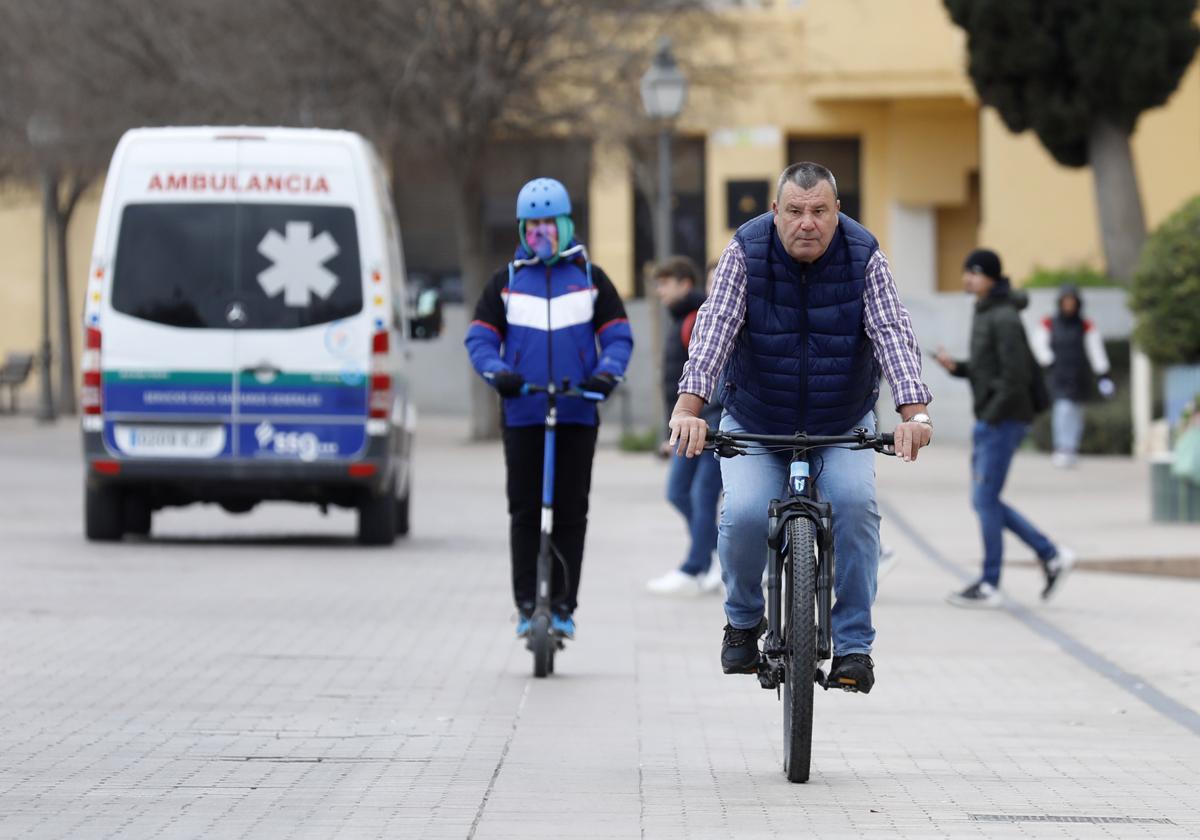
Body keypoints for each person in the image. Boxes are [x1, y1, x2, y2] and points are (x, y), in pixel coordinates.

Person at [669, 162, 933, 695]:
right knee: (743, 513)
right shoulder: (745, 251)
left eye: (819, 211)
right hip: (757, 418)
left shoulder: (865, 255)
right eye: (794, 211)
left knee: (856, 507)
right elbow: (714, 330)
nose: (806, 223)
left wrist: (914, 414)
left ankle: (854, 644)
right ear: (775, 212)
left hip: (842, 420)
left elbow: (892, 333)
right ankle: (743, 620)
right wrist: (688, 409)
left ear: (838, 213)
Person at [465, 177, 634, 639]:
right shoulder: (507, 282)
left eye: (550, 224)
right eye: (533, 224)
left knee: (570, 510)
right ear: (522, 228)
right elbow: (480, 337)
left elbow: (618, 335)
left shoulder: (590, 279)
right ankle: (526, 605)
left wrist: (605, 374)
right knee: (524, 510)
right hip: (523, 412)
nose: (542, 233)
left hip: (577, 411)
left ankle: (561, 605)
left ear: (565, 224)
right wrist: (499, 372)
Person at [935, 248, 1075, 607]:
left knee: (985, 500)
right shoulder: (985, 311)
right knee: (987, 501)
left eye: (975, 273)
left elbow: (1016, 377)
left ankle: (991, 583)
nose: (968, 278)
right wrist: (958, 368)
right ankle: (1050, 554)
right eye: (967, 271)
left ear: (992, 279)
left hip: (1003, 420)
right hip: (993, 418)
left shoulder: (1004, 317)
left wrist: (991, 417)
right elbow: (989, 368)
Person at [646, 256, 724, 596]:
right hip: (689, 424)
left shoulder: (699, 320)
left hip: (711, 425)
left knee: (701, 495)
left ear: (684, 284)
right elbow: (675, 383)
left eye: (665, 283)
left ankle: (698, 565)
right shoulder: (685, 319)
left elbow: (710, 377)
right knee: (680, 492)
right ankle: (717, 554)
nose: (660, 291)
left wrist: (702, 421)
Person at [1030, 284, 1114, 468]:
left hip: (1079, 374)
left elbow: (1096, 350)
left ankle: (1072, 447)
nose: (1069, 304)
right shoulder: (1049, 323)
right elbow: (1038, 344)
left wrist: (1103, 374)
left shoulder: (1085, 325)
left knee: (1076, 412)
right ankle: (1062, 447)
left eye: (1072, 301)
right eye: (1066, 301)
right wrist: (1048, 361)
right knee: (1062, 410)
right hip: (1058, 374)